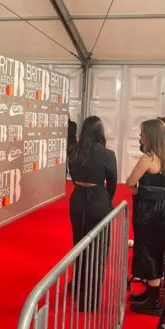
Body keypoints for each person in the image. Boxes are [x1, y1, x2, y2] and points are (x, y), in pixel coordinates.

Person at [127, 119, 165, 316]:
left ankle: (153, 300)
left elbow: (130, 181)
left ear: (150, 136)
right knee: (158, 248)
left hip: (149, 209)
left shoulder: (147, 158)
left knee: (148, 249)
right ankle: (151, 294)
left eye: (143, 133)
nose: (140, 136)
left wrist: (137, 188)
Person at [68, 115, 117, 311]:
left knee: (79, 243)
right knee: (98, 249)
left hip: (77, 199)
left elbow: (72, 177)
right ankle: (90, 298)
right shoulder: (107, 154)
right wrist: (105, 198)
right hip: (99, 199)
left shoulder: (74, 151)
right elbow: (112, 184)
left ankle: (78, 285)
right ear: (100, 132)